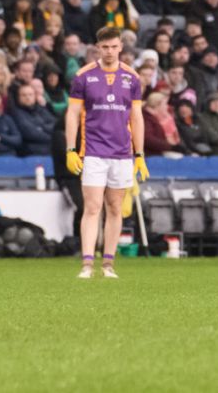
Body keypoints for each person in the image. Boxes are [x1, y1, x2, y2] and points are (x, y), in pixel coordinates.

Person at [64, 27, 147, 279]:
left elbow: (137, 116)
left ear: (121, 47)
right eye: (105, 47)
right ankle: (87, 264)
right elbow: (73, 114)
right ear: (98, 48)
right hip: (93, 151)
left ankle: (108, 264)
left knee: (114, 208)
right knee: (92, 207)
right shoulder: (83, 76)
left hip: (122, 153)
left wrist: (140, 154)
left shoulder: (132, 78)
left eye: (114, 46)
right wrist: (70, 149)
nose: (110, 51)